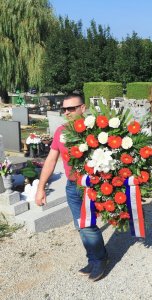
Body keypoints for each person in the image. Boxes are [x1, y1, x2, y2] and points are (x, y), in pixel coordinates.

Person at [35, 93, 108, 281]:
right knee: (80, 225)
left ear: (82, 108)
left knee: (88, 225)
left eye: (71, 108)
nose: (66, 112)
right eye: (64, 109)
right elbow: (51, 159)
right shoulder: (60, 131)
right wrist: (41, 187)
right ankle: (93, 258)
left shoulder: (96, 130)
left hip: (91, 185)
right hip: (72, 186)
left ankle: (100, 259)